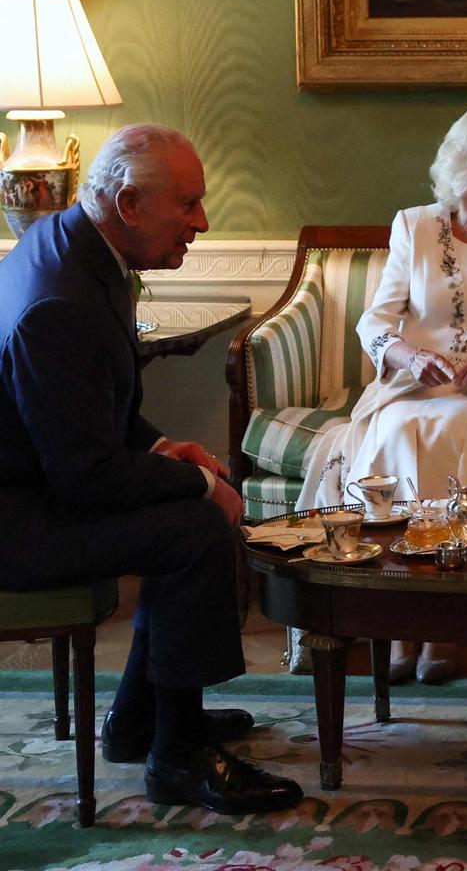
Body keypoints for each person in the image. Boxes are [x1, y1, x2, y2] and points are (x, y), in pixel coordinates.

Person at [0, 125, 302, 815]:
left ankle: (142, 722)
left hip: (38, 486)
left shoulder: (70, 248)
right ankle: (178, 757)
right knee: (191, 530)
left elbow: (89, 408)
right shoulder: (60, 301)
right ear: (130, 204)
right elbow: (87, 476)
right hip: (17, 522)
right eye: (188, 205)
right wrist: (201, 484)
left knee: (186, 512)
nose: (202, 223)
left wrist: (168, 448)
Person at [296, 104, 467, 683]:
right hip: (410, 388)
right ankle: (399, 623)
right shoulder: (414, 226)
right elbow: (375, 323)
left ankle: (443, 622)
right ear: (465, 167)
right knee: (397, 430)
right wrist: (410, 357)